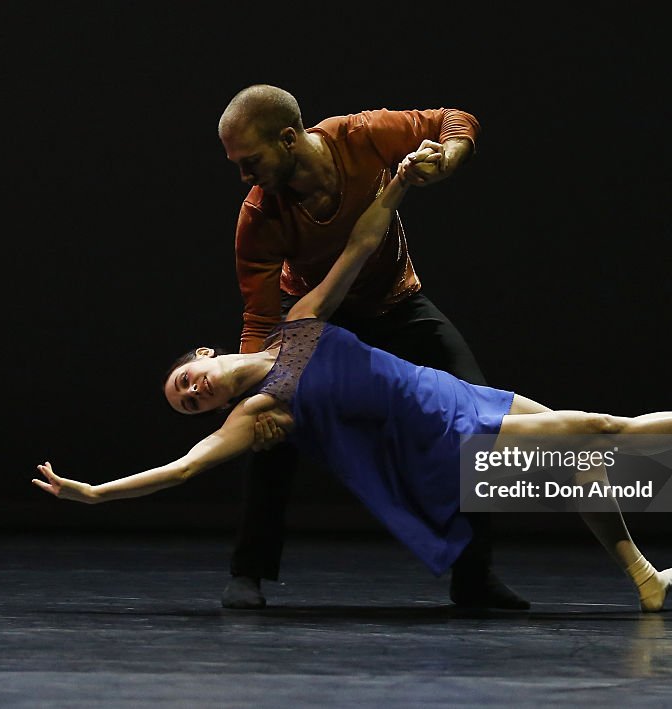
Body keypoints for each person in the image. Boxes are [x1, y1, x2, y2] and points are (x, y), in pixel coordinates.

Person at [33, 157, 672, 613]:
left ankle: (643, 576)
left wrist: (392, 190)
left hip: (447, 395)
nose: (195, 392)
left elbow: (358, 249)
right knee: (598, 431)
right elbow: (186, 467)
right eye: (191, 402)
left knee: (578, 466)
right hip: (440, 437)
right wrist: (95, 493)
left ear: (202, 352)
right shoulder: (265, 405)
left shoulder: (295, 327)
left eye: (187, 381)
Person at [216, 83, 524, 611]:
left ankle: (474, 575)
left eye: (251, 162)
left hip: (397, 306)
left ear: (289, 138)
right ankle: (250, 571)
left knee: (478, 413)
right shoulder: (259, 217)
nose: (244, 176)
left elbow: (454, 118)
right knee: (270, 438)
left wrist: (447, 158)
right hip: (318, 326)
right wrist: (256, 401)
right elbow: (260, 322)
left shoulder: (360, 136)